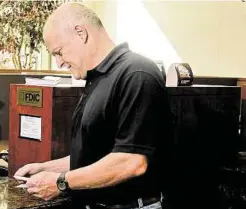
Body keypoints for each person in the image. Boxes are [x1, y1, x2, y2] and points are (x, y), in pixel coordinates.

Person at [14, 3, 172, 209]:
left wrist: (61, 181)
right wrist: (46, 168)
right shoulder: (97, 78)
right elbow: (95, 157)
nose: (59, 63)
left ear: (81, 33)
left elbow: (131, 162)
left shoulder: (137, 74)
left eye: (59, 52)